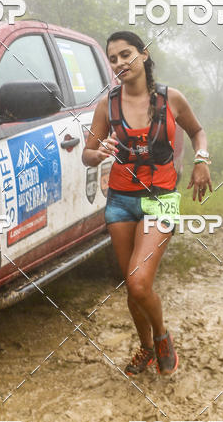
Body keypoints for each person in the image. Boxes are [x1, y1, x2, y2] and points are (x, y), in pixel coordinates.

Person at [82, 31, 212, 375]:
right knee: (132, 286)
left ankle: (161, 337)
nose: (120, 63)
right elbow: (87, 155)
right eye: (113, 59)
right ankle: (145, 347)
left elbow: (198, 132)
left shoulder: (172, 99)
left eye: (126, 55)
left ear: (144, 55)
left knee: (140, 283)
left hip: (161, 199)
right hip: (121, 201)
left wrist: (202, 160)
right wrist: (99, 152)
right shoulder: (106, 105)